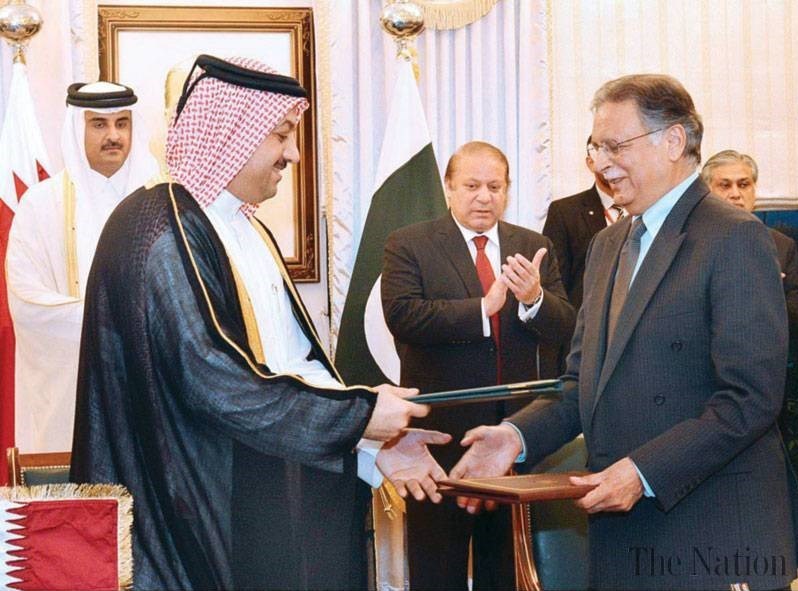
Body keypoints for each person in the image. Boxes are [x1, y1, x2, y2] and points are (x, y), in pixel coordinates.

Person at [70, 55, 444, 590]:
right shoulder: (156, 228)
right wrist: (358, 417)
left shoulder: (246, 230)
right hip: (184, 521)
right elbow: (213, 381)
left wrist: (371, 443)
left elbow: (296, 366)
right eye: (281, 135)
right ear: (230, 133)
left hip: (254, 510)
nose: (293, 154)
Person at [451, 75, 797, 590]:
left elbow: (750, 398)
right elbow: (581, 384)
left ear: (673, 141)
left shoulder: (734, 237)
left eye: (615, 146)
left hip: (711, 537)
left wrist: (643, 471)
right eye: (596, 148)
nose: (601, 163)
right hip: (621, 540)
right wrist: (515, 436)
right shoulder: (608, 245)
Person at [381, 141, 575, 590]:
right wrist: (481, 310)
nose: (484, 197)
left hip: (513, 437)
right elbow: (403, 316)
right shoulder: (409, 244)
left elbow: (566, 325)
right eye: (472, 186)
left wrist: (534, 299)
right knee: (437, 570)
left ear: (507, 190)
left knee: (506, 570)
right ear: (449, 188)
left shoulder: (533, 245)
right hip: (440, 439)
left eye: (494, 187)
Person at [6, 82, 159, 453]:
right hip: (71, 392)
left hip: (151, 389)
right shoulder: (40, 204)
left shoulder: (161, 203)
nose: (113, 136)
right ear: (77, 128)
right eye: (99, 124)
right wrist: (114, 321)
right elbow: (27, 302)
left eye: (122, 123)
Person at [701, 149, 798, 469]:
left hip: (766, 390)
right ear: (707, 191)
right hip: (703, 386)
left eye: (744, 184)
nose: (735, 194)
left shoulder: (781, 245)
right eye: (724, 185)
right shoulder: (690, 244)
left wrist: (765, 294)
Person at [543, 135, 625, 310]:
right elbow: (556, 285)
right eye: (603, 154)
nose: (611, 164)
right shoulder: (565, 212)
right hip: (587, 319)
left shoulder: (644, 208)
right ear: (590, 163)